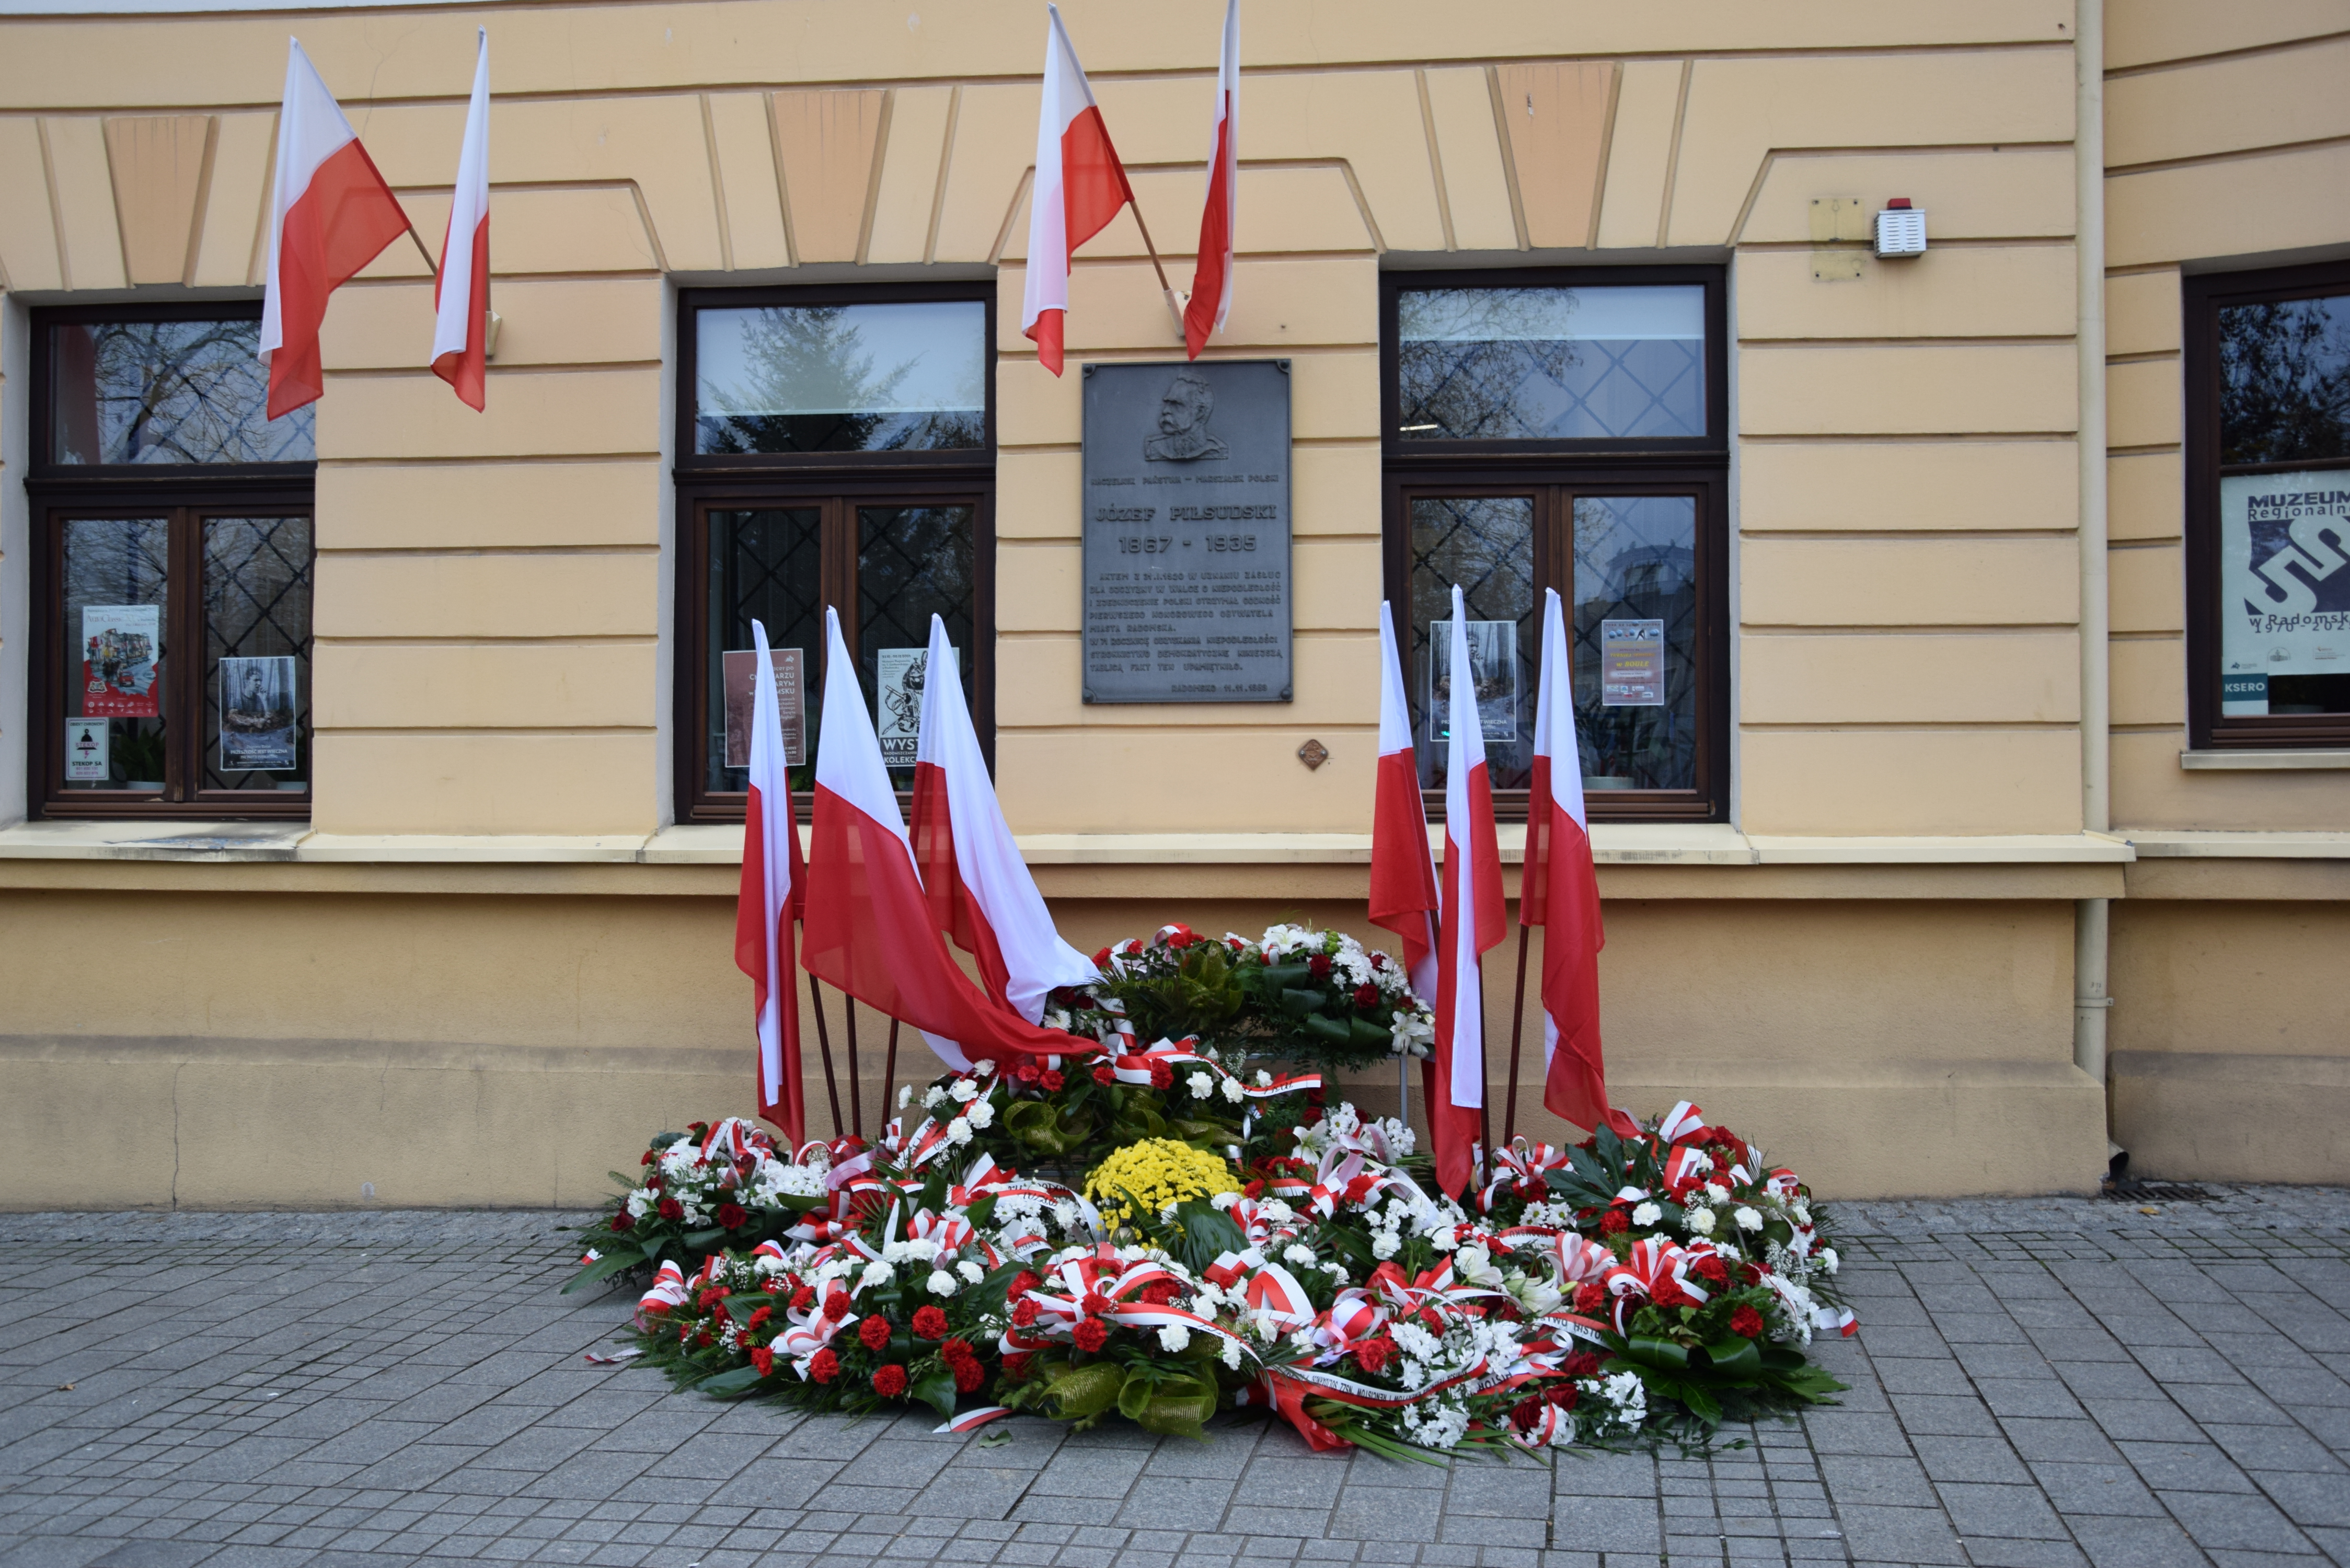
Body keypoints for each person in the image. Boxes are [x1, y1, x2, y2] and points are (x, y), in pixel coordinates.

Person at [1143, 372, 1228, 462]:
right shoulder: (1154, 448)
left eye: (1177, 404)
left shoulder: (1217, 449)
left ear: (1200, 412)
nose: (1166, 411)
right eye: (1168, 404)